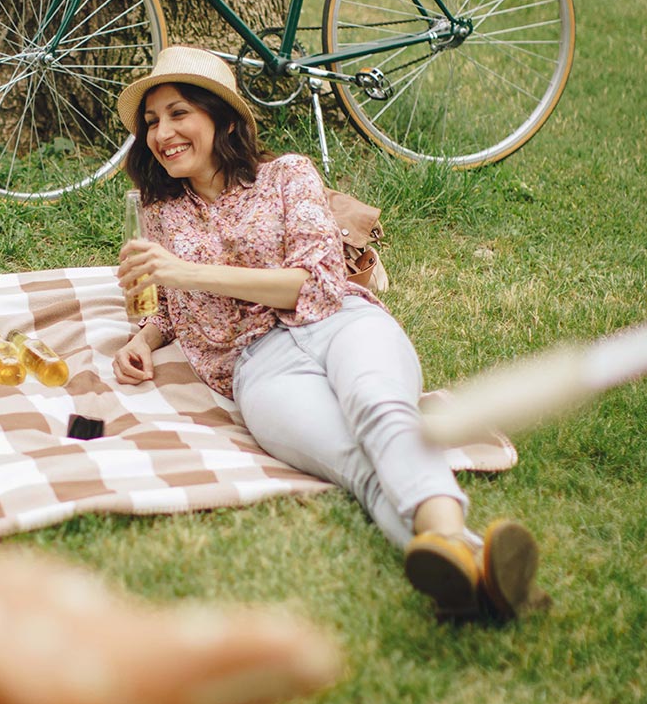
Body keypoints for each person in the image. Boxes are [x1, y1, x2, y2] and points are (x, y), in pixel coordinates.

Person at [112, 46, 549, 622]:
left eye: (178, 113)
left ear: (222, 118)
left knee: (380, 409)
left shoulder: (287, 175)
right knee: (356, 466)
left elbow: (314, 283)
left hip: (339, 322)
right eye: (151, 122)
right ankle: (471, 570)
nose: (161, 133)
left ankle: (448, 543)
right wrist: (143, 339)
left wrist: (185, 271)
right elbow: (170, 304)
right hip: (258, 367)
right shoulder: (160, 211)